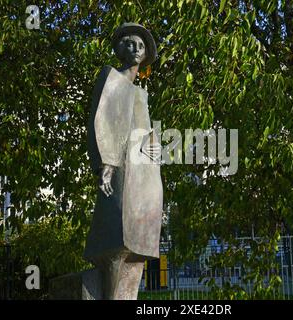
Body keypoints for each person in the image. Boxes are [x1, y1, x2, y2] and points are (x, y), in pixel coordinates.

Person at [84, 23, 163, 300]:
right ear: (119, 48)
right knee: (116, 240)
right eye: (130, 43)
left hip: (143, 173)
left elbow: (147, 130)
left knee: (139, 244)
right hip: (118, 166)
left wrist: (155, 146)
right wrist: (104, 164)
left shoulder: (141, 93)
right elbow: (100, 119)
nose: (136, 49)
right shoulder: (110, 77)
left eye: (141, 46)